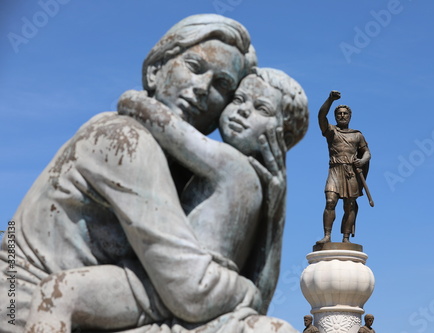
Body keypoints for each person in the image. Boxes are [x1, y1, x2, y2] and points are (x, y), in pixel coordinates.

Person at [0, 14, 262, 333]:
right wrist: (250, 292)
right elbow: (192, 293)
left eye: (222, 84)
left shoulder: (180, 167)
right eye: (194, 67)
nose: (202, 89)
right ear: (154, 71)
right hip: (30, 316)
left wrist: (274, 202)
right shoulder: (125, 141)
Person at [23, 67, 309, 333]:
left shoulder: (229, 163)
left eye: (261, 108)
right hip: (176, 284)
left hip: (185, 286)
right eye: (238, 99)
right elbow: (264, 284)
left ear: (282, 135)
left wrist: (136, 95)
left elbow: (163, 124)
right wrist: (277, 211)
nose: (242, 111)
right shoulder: (251, 181)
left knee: (57, 293)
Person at [316, 91, 371, 244]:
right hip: (334, 170)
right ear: (335, 116)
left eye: (345, 113)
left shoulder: (357, 135)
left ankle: (345, 238)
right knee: (330, 201)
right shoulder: (331, 131)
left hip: (350, 173)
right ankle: (327, 236)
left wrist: (362, 161)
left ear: (349, 116)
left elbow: (367, 153)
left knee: (350, 205)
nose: (342, 116)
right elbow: (321, 116)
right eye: (339, 113)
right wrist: (330, 99)